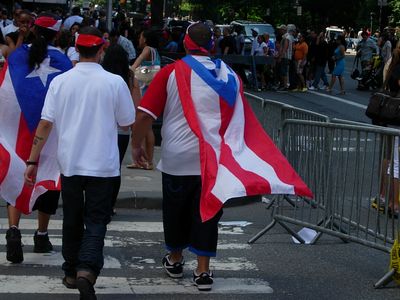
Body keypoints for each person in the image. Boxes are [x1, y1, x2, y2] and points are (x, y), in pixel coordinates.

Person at [131, 22, 312, 292]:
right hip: (214, 161)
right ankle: (203, 271)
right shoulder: (230, 76)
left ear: (186, 44)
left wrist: (137, 145)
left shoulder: (171, 72)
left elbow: (145, 114)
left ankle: (176, 258)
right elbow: (240, 121)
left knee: (176, 211)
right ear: (212, 44)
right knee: (208, 213)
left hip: (178, 158)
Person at [24, 26, 135, 299]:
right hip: (103, 164)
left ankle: (71, 271)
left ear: (77, 48)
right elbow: (126, 121)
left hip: (70, 162)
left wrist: (32, 160)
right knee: (97, 219)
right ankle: (87, 269)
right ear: (101, 50)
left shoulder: (61, 82)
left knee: (72, 218)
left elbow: (45, 123)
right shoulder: (114, 82)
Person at [0, 13, 72, 264]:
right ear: (58, 34)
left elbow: (4, 94)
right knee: (50, 177)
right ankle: (41, 235)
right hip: (50, 132)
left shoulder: (16, 57)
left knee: (17, 176)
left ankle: (13, 230)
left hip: (18, 131)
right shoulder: (63, 61)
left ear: (33, 30)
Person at [128, 30, 160, 170]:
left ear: (145, 39)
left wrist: (130, 70)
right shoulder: (156, 52)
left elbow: (135, 66)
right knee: (148, 126)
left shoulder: (147, 49)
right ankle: (149, 161)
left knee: (140, 124)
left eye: (141, 36)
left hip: (142, 89)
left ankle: (141, 161)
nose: (139, 38)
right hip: (151, 89)